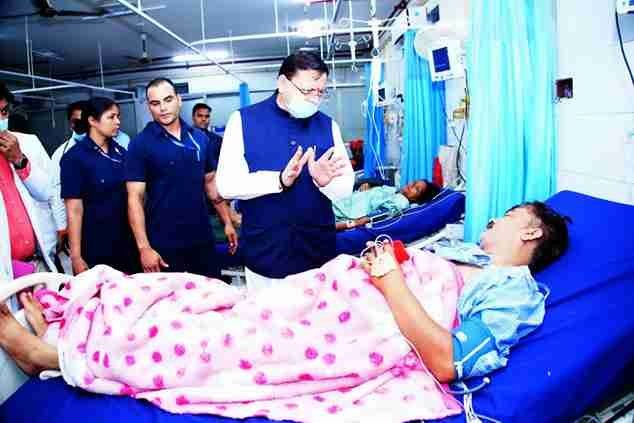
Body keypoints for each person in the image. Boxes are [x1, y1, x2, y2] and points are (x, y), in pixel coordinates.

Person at [0, 201, 569, 413]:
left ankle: (55, 355)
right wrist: (383, 265)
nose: (493, 221)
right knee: (195, 295)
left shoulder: (514, 292)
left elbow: (447, 361)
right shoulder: (465, 256)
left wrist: (391, 277)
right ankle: (74, 330)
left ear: (531, 233)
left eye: (508, 216)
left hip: (361, 327)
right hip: (333, 296)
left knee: (212, 344)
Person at [216, 51, 354, 291]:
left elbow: (345, 187)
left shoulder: (328, 125)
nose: (314, 99)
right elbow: (226, 185)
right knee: (268, 314)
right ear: (282, 83)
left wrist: (324, 183)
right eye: (307, 91)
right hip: (266, 252)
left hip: (317, 252)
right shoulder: (243, 121)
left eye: (320, 92)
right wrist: (278, 180)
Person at [126, 78, 237, 278]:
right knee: (170, 297)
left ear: (179, 99)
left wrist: (227, 221)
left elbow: (210, 183)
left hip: (201, 236)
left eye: (168, 100)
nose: (163, 108)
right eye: (155, 103)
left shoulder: (200, 138)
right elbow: (135, 198)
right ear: (148, 107)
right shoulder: (140, 144)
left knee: (209, 292)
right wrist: (144, 247)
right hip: (163, 241)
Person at [60, 97, 139, 275]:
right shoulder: (74, 158)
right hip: (96, 244)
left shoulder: (121, 153)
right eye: (111, 117)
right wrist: (76, 257)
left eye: (118, 116)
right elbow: (74, 211)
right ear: (92, 121)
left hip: (127, 242)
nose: (117, 122)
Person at [0, 81, 57, 293]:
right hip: (4, 271)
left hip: (36, 261)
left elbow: (46, 192)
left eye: (3, 112)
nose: (1, 119)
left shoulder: (28, 143)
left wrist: (19, 159)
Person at [50, 101, 88, 269]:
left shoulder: (107, 148)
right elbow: (55, 191)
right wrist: (61, 226)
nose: (79, 124)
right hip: (73, 223)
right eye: (75, 121)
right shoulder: (61, 154)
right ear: (70, 123)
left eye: (83, 120)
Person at [334, 179, 441, 230]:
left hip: (339, 213)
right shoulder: (394, 190)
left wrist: (343, 225)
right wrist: (368, 188)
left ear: (418, 199)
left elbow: (379, 215)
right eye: (414, 183)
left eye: (416, 189)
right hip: (340, 204)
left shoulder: (401, 203)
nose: (411, 186)